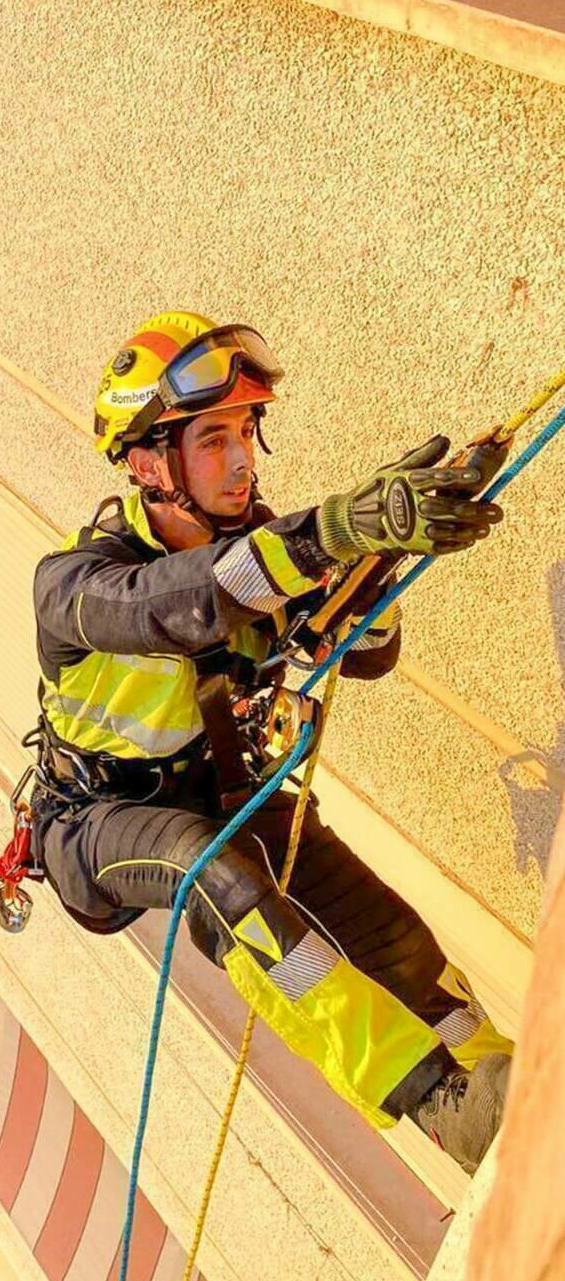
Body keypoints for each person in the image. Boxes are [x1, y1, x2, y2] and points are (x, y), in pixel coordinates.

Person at [29, 311, 513, 1173]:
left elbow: (369, 656)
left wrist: (378, 558)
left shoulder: (265, 547)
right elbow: (170, 604)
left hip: (233, 794)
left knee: (387, 934)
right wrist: (332, 534)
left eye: (248, 429)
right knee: (215, 877)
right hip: (100, 822)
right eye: (212, 438)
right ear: (147, 463)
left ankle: (497, 1083)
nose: (243, 456)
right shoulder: (76, 582)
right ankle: (437, 1100)